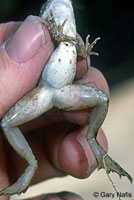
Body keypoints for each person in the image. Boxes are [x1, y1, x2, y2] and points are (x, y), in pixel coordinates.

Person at [0, 15, 109, 200]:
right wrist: (58, 36)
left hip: (63, 91)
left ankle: (91, 139)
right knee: (7, 123)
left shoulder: (67, 19)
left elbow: (74, 57)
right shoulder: (48, 17)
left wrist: (82, 52)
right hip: (42, 92)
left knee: (102, 98)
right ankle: (31, 164)